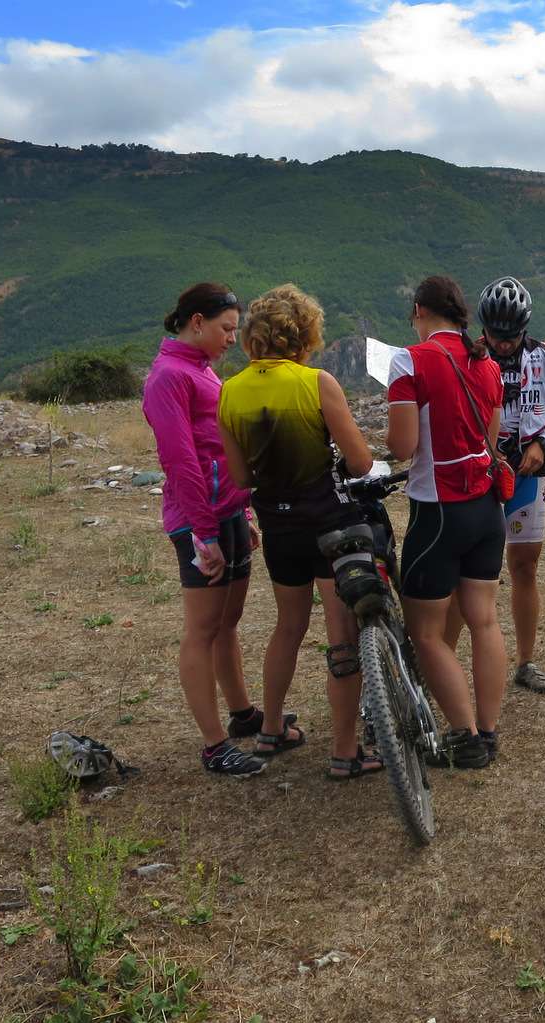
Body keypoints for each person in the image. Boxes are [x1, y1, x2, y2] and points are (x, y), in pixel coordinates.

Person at [218, 284, 381, 779]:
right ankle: (345, 751)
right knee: (342, 634)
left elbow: (241, 477)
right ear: (305, 333)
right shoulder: (316, 383)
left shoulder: (230, 391)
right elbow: (361, 462)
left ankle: (270, 728)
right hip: (329, 525)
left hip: (278, 527)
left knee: (288, 626)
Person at [142, 282, 264, 777]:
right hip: (200, 521)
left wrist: (243, 514)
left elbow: (219, 446)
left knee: (227, 622)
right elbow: (181, 461)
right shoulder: (169, 377)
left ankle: (242, 714)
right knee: (202, 629)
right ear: (197, 322)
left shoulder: (200, 369)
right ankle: (214, 746)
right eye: (226, 329)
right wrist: (204, 532)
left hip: (227, 513)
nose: (233, 339)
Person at [386, 276, 507, 769]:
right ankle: (489, 731)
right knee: (484, 620)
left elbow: (403, 447)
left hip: (438, 511)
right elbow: (491, 441)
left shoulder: (409, 360)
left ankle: (466, 736)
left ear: (419, 310)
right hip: (487, 510)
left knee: (426, 633)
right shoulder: (488, 364)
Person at [444, 276, 545, 693]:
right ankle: (441, 659)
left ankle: (525, 661)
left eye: (512, 336)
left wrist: (544, 443)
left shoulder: (544, 356)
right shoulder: (464, 358)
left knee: (524, 567)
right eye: (496, 335)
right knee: (463, 572)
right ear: (483, 327)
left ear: (525, 328)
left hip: (526, 476)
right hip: (477, 477)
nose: (503, 343)